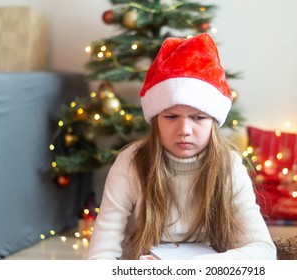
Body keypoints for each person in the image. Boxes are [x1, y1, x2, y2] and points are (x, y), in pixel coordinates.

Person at [85, 33, 276, 260]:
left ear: (214, 122)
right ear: (156, 119)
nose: (184, 129)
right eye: (171, 116)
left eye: (198, 118)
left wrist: (198, 268)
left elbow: (263, 250)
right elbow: (100, 254)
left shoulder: (230, 165)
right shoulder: (130, 163)